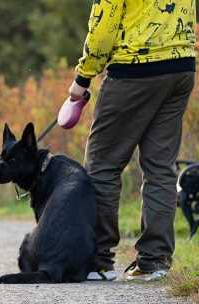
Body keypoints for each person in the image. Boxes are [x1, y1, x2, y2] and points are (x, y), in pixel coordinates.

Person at [69, 0, 196, 281]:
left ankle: (98, 261)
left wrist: (83, 76)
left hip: (135, 69)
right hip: (181, 67)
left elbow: (103, 27)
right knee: (161, 167)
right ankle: (154, 261)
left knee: (102, 166)